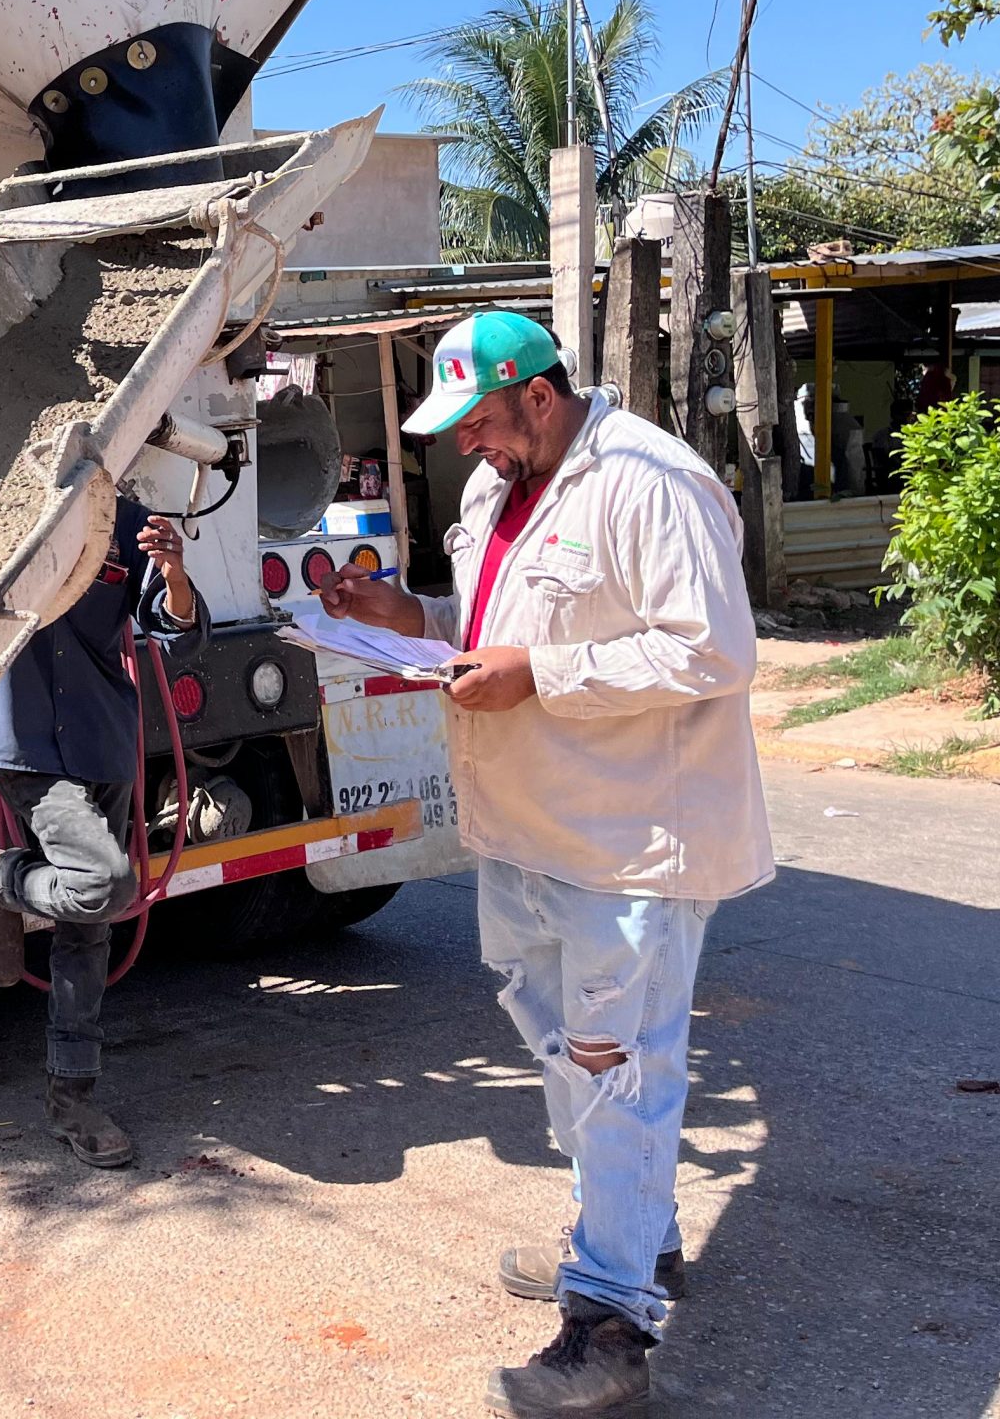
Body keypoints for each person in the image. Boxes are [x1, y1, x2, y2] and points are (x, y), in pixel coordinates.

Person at [320, 312, 771, 1419]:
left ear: (536, 393)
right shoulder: (490, 493)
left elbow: (713, 646)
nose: (468, 447)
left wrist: (539, 674)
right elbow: (493, 628)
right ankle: (633, 1238)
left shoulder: (648, 481)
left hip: (628, 840)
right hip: (524, 829)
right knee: (565, 1058)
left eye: (479, 423)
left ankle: (607, 1327)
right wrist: (410, 616)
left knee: (616, 1068)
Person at [0, 495, 203, 1168]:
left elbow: (175, 631)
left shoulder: (128, 523)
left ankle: (73, 1100)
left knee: (88, 932)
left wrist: (175, 575)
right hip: (22, 741)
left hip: (101, 738)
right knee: (103, 883)